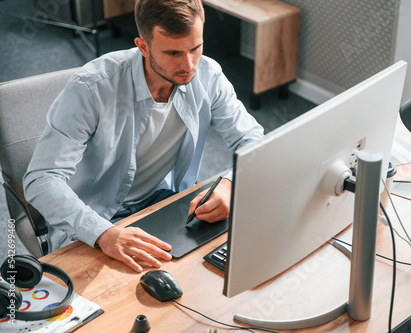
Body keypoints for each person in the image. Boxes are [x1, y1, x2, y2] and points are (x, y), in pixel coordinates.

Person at [23, 0, 264, 273]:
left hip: (163, 203)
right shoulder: (91, 88)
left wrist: (231, 185)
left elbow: (254, 141)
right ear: (143, 47)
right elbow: (41, 180)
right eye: (173, 52)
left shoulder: (208, 75)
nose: (188, 65)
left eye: (195, 48)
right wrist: (102, 233)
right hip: (96, 215)